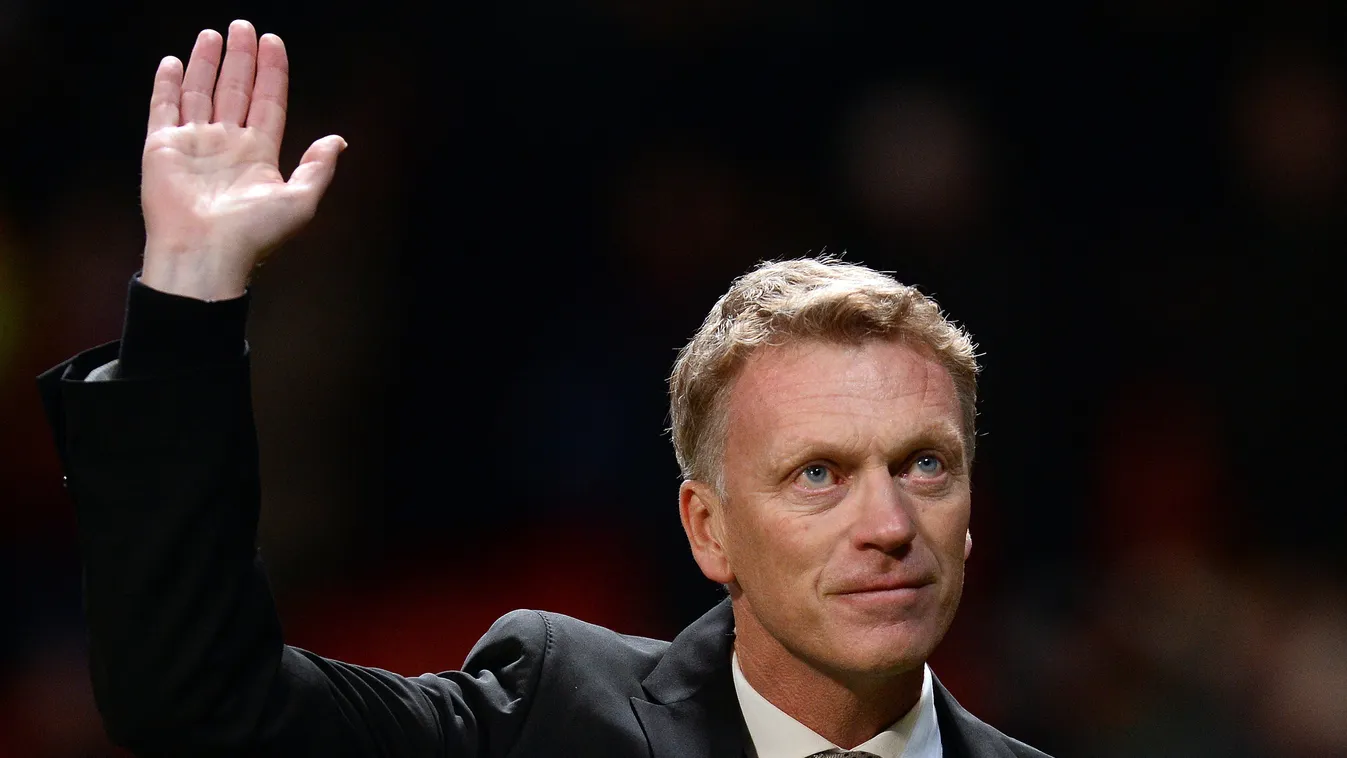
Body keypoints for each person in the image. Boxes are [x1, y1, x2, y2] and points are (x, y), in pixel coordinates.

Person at [38, 20, 1050, 758]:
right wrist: (189, 289)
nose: (887, 521)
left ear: (967, 519)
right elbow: (197, 699)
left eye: (924, 463)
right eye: (819, 471)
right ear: (710, 529)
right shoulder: (556, 718)